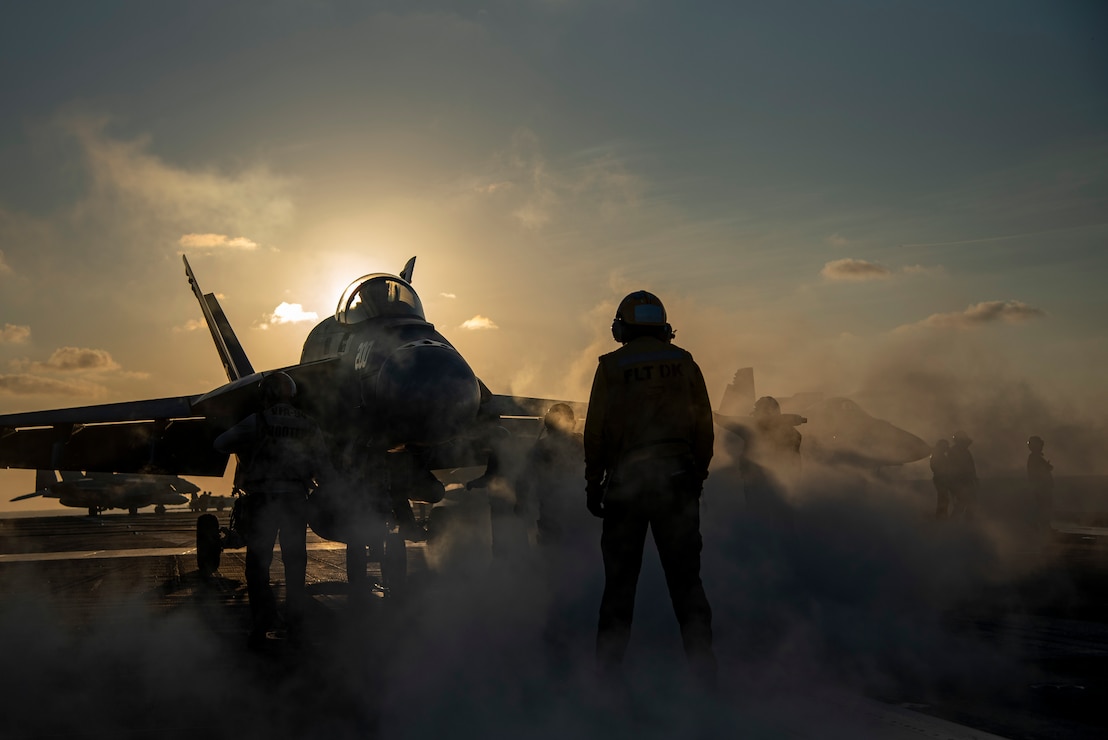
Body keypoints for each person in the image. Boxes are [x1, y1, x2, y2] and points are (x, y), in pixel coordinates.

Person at [584, 290, 717, 688]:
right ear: (662, 326)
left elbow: (595, 433)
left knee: (620, 587)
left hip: (626, 490)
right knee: (687, 584)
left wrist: (594, 484)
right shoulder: (685, 363)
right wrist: (698, 476)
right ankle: (704, 674)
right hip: (677, 486)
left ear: (622, 326)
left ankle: (607, 679)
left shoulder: (611, 367)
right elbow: (704, 428)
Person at [214, 371, 331, 648]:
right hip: (294, 500)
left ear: (265, 396)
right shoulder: (309, 424)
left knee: (257, 566)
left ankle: (262, 620)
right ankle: (296, 620)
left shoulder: (258, 421)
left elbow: (219, 444)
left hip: (263, 500)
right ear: (291, 395)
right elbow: (324, 466)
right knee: (295, 564)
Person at [516, 403, 596, 674]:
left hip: (556, 520)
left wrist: (520, 505)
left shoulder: (540, 449)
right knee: (582, 568)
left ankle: (559, 626)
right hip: (579, 519)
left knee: (555, 573)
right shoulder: (582, 444)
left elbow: (525, 482)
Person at [946, 431, 978, 521]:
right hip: (960, 481)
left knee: (968, 502)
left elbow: (969, 467)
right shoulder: (957, 451)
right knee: (964, 502)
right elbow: (957, 468)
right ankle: (958, 522)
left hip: (964, 481)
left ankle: (966, 521)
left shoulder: (961, 451)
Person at [1026, 435, 1053, 532]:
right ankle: (1042, 527)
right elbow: (1037, 472)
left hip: (1041, 487)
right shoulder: (1035, 457)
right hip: (1041, 488)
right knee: (1043, 507)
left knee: (1042, 507)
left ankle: (1040, 526)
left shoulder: (1036, 457)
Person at [930, 439, 951, 520]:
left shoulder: (938, 455)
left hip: (940, 478)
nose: (946, 448)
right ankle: (941, 516)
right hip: (940, 479)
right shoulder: (938, 455)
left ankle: (941, 515)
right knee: (943, 498)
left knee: (943, 498)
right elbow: (936, 467)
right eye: (945, 446)